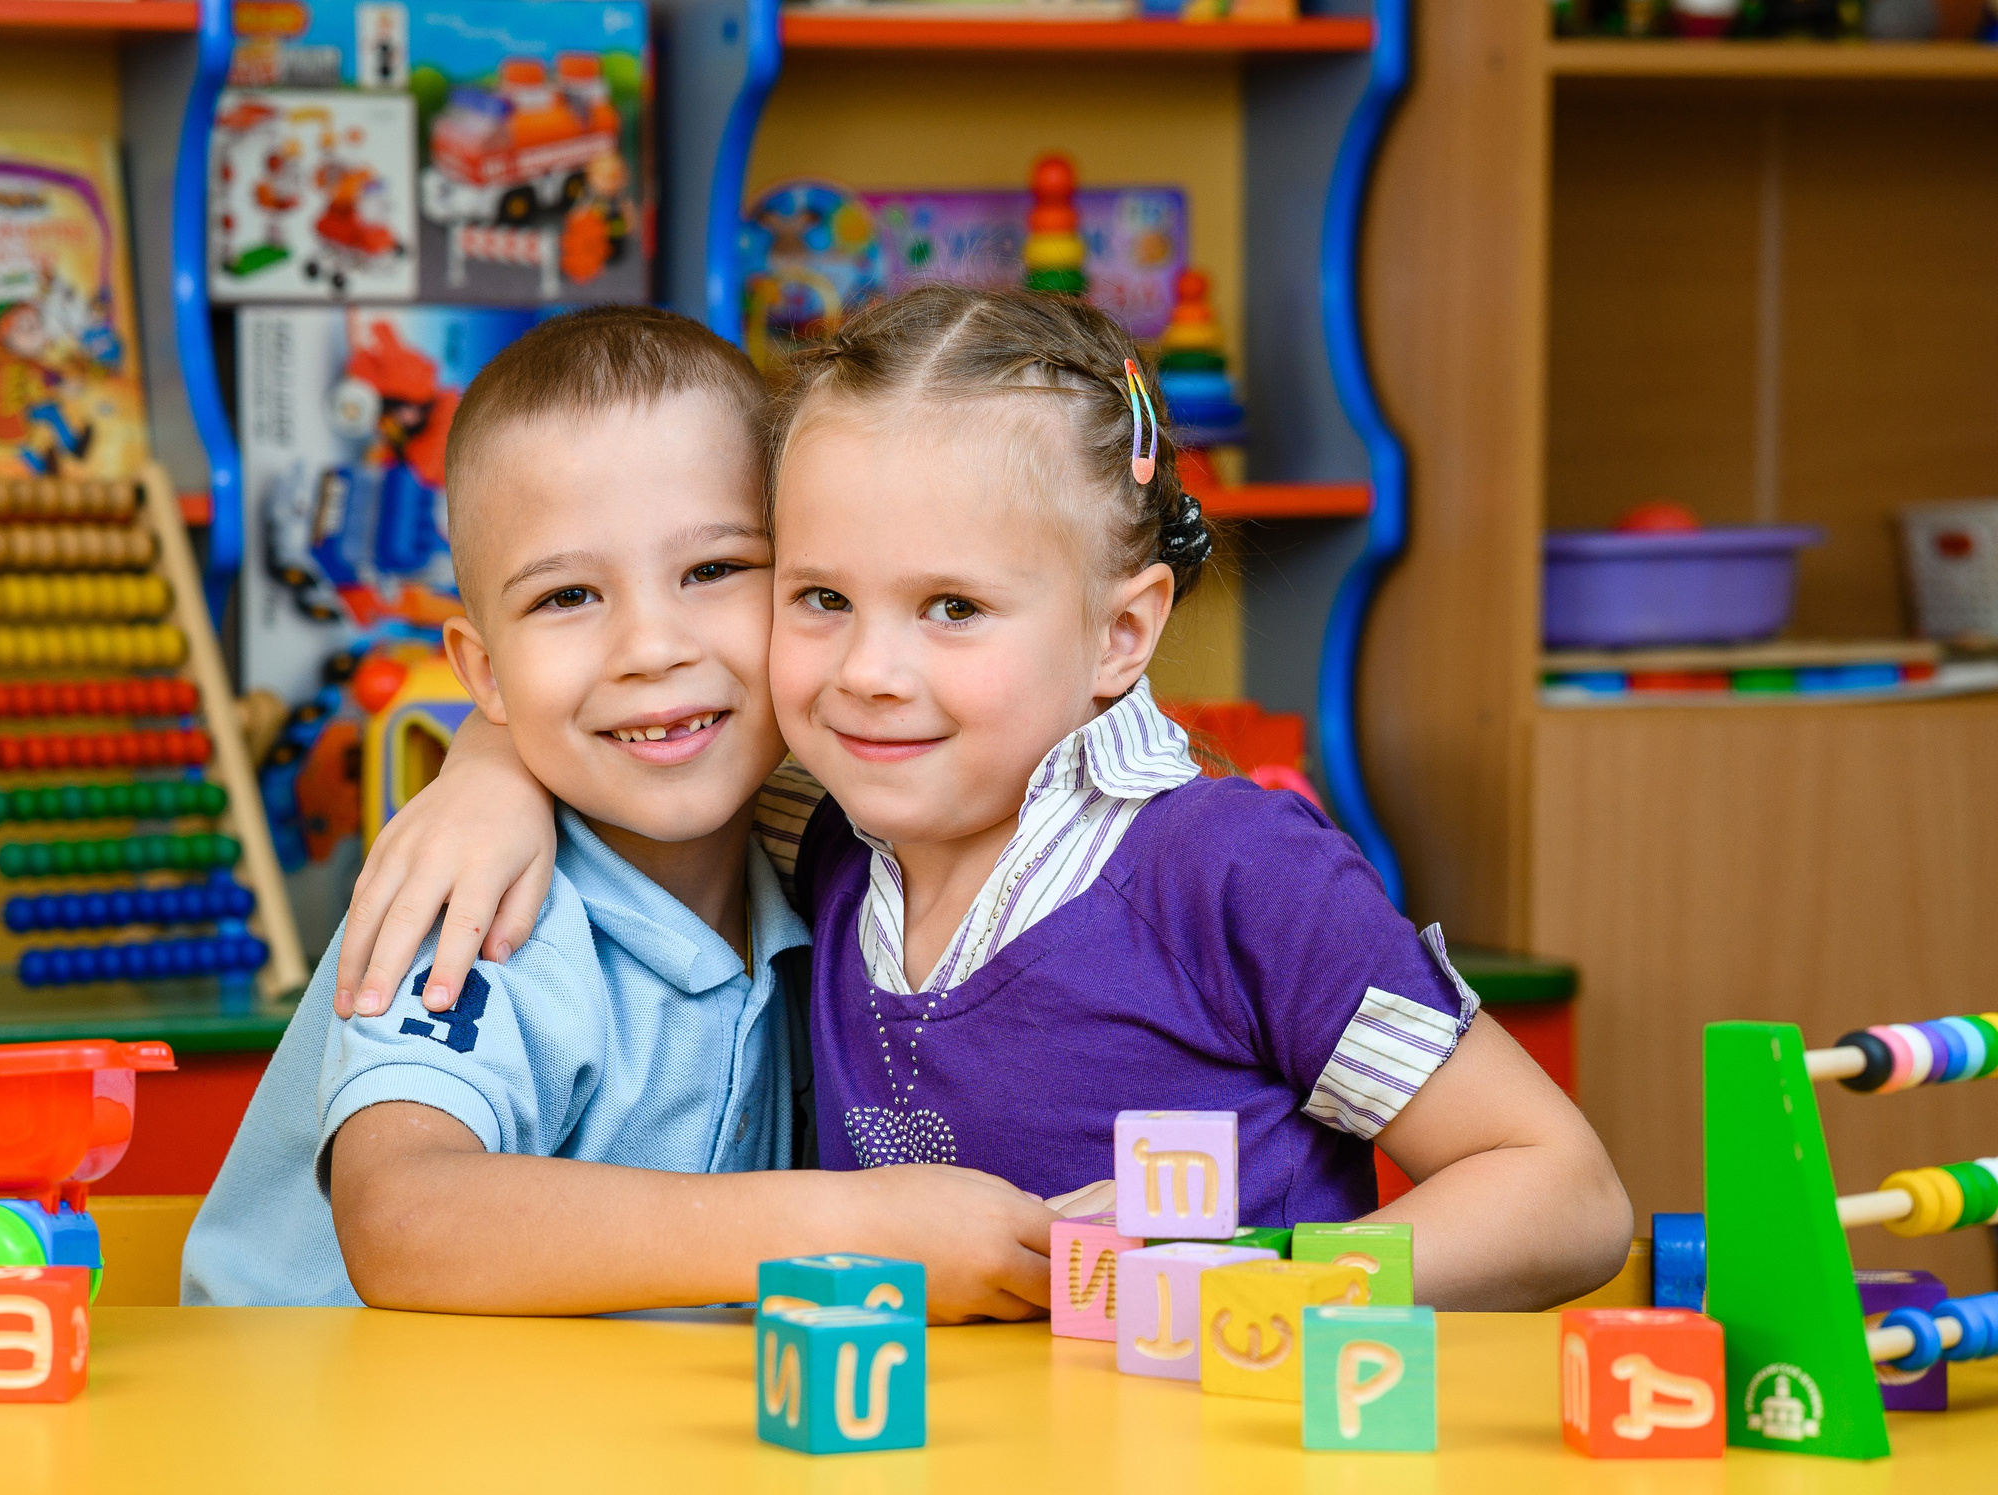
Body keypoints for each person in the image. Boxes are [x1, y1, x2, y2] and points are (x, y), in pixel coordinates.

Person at [331, 286, 1634, 1312]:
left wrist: (1267, 1297)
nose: (870, 673)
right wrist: (489, 760)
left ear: (1122, 634)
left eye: (952, 607)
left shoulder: (1239, 874)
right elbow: (640, 738)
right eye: (822, 598)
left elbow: (1561, 1192)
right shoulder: (832, 828)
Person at [182, 305, 1054, 1319]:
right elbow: (406, 1218)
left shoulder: (829, 861)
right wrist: (846, 1230)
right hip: (319, 1457)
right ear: (483, 672)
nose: (651, 646)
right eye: (565, 597)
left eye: (715, 570)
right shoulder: (485, 904)